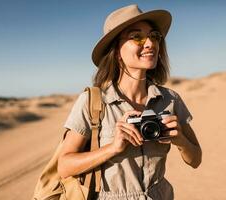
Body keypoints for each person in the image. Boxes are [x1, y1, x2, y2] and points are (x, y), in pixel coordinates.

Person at [58, 4, 202, 200]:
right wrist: (113, 148)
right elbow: (64, 166)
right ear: (116, 50)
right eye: (137, 36)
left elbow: (195, 159)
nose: (150, 43)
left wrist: (180, 140)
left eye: (154, 36)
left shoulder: (170, 100)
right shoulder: (92, 102)